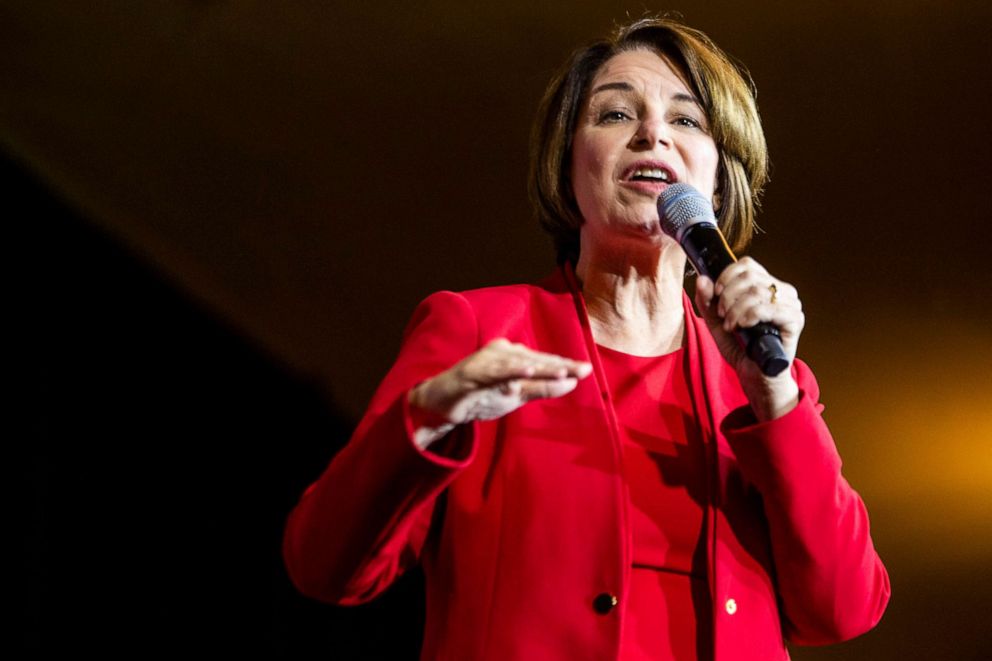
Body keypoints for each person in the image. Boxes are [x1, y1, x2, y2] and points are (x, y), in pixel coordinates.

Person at [283, 16, 890, 660]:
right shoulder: (476, 330)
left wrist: (774, 398)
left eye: (686, 121)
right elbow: (325, 566)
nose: (651, 132)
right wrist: (426, 420)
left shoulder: (770, 382)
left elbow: (842, 610)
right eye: (614, 115)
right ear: (568, 165)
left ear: (720, 178)